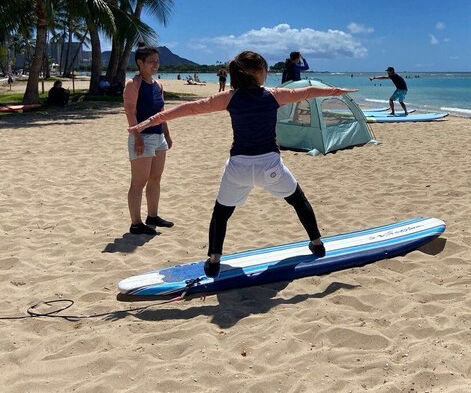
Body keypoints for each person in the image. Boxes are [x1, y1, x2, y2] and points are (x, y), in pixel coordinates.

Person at [127, 50, 357, 277]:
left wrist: (146, 123)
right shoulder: (274, 94)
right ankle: (317, 244)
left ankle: (214, 259)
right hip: (271, 167)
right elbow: (308, 92)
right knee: (298, 200)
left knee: (221, 213)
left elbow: (188, 109)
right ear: (257, 72)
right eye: (265, 69)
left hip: (239, 169)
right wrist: (337, 91)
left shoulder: (229, 97)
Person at [123, 46, 174, 236]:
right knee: (138, 182)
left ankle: (152, 216)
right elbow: (130, 111)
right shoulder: (133, 84)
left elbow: (162, 113)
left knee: (155, 178)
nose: (156, 64)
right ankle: (135, 224)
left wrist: (167, 135)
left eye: (157, 61)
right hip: (142, 137)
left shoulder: (158, 85)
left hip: (158, 136)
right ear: (140, 63)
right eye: (151, 61)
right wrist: (137, 136)